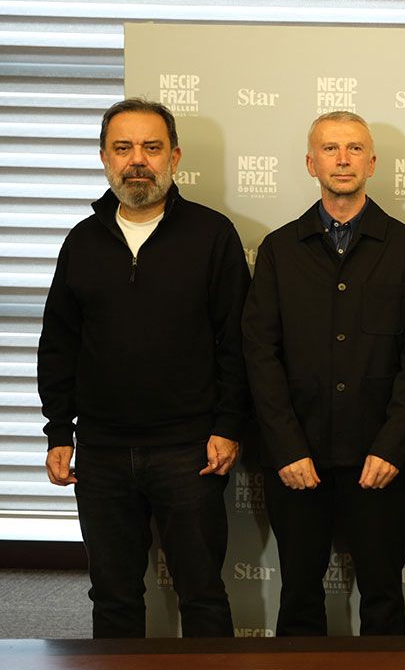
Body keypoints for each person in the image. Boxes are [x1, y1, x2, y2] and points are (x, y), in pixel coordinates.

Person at [38, 98, 249, 638]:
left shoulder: (212, 235)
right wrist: (58, 431)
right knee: (113, 598)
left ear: (174, 157)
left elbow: (237, 342)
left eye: (151, 148)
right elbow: (58, 344)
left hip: (190, 452)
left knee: (202, 594)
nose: (137, 160)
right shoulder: (81, 241)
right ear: (104, 158)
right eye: (123, 147)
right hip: (101, 453)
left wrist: (228, 425)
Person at [242, 111, 405, 636]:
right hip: (296, 458)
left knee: (383, 598)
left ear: (372, 162)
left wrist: (391, 447)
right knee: (299, 597)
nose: (343, 159)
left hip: (381, 460)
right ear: (311, 163)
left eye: (354, 149)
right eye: (330, 149)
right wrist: (286, 447)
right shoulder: (280, 250)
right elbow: (260, 355)